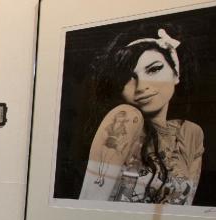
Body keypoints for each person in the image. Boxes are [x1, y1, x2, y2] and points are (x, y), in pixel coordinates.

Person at [79, 27, 203, 204]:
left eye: (153, 70)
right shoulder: (125, 118)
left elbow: (185, 208)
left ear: (176, 73)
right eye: (129, 78)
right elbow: (88, 208)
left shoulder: (190, 134)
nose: (141, 86)